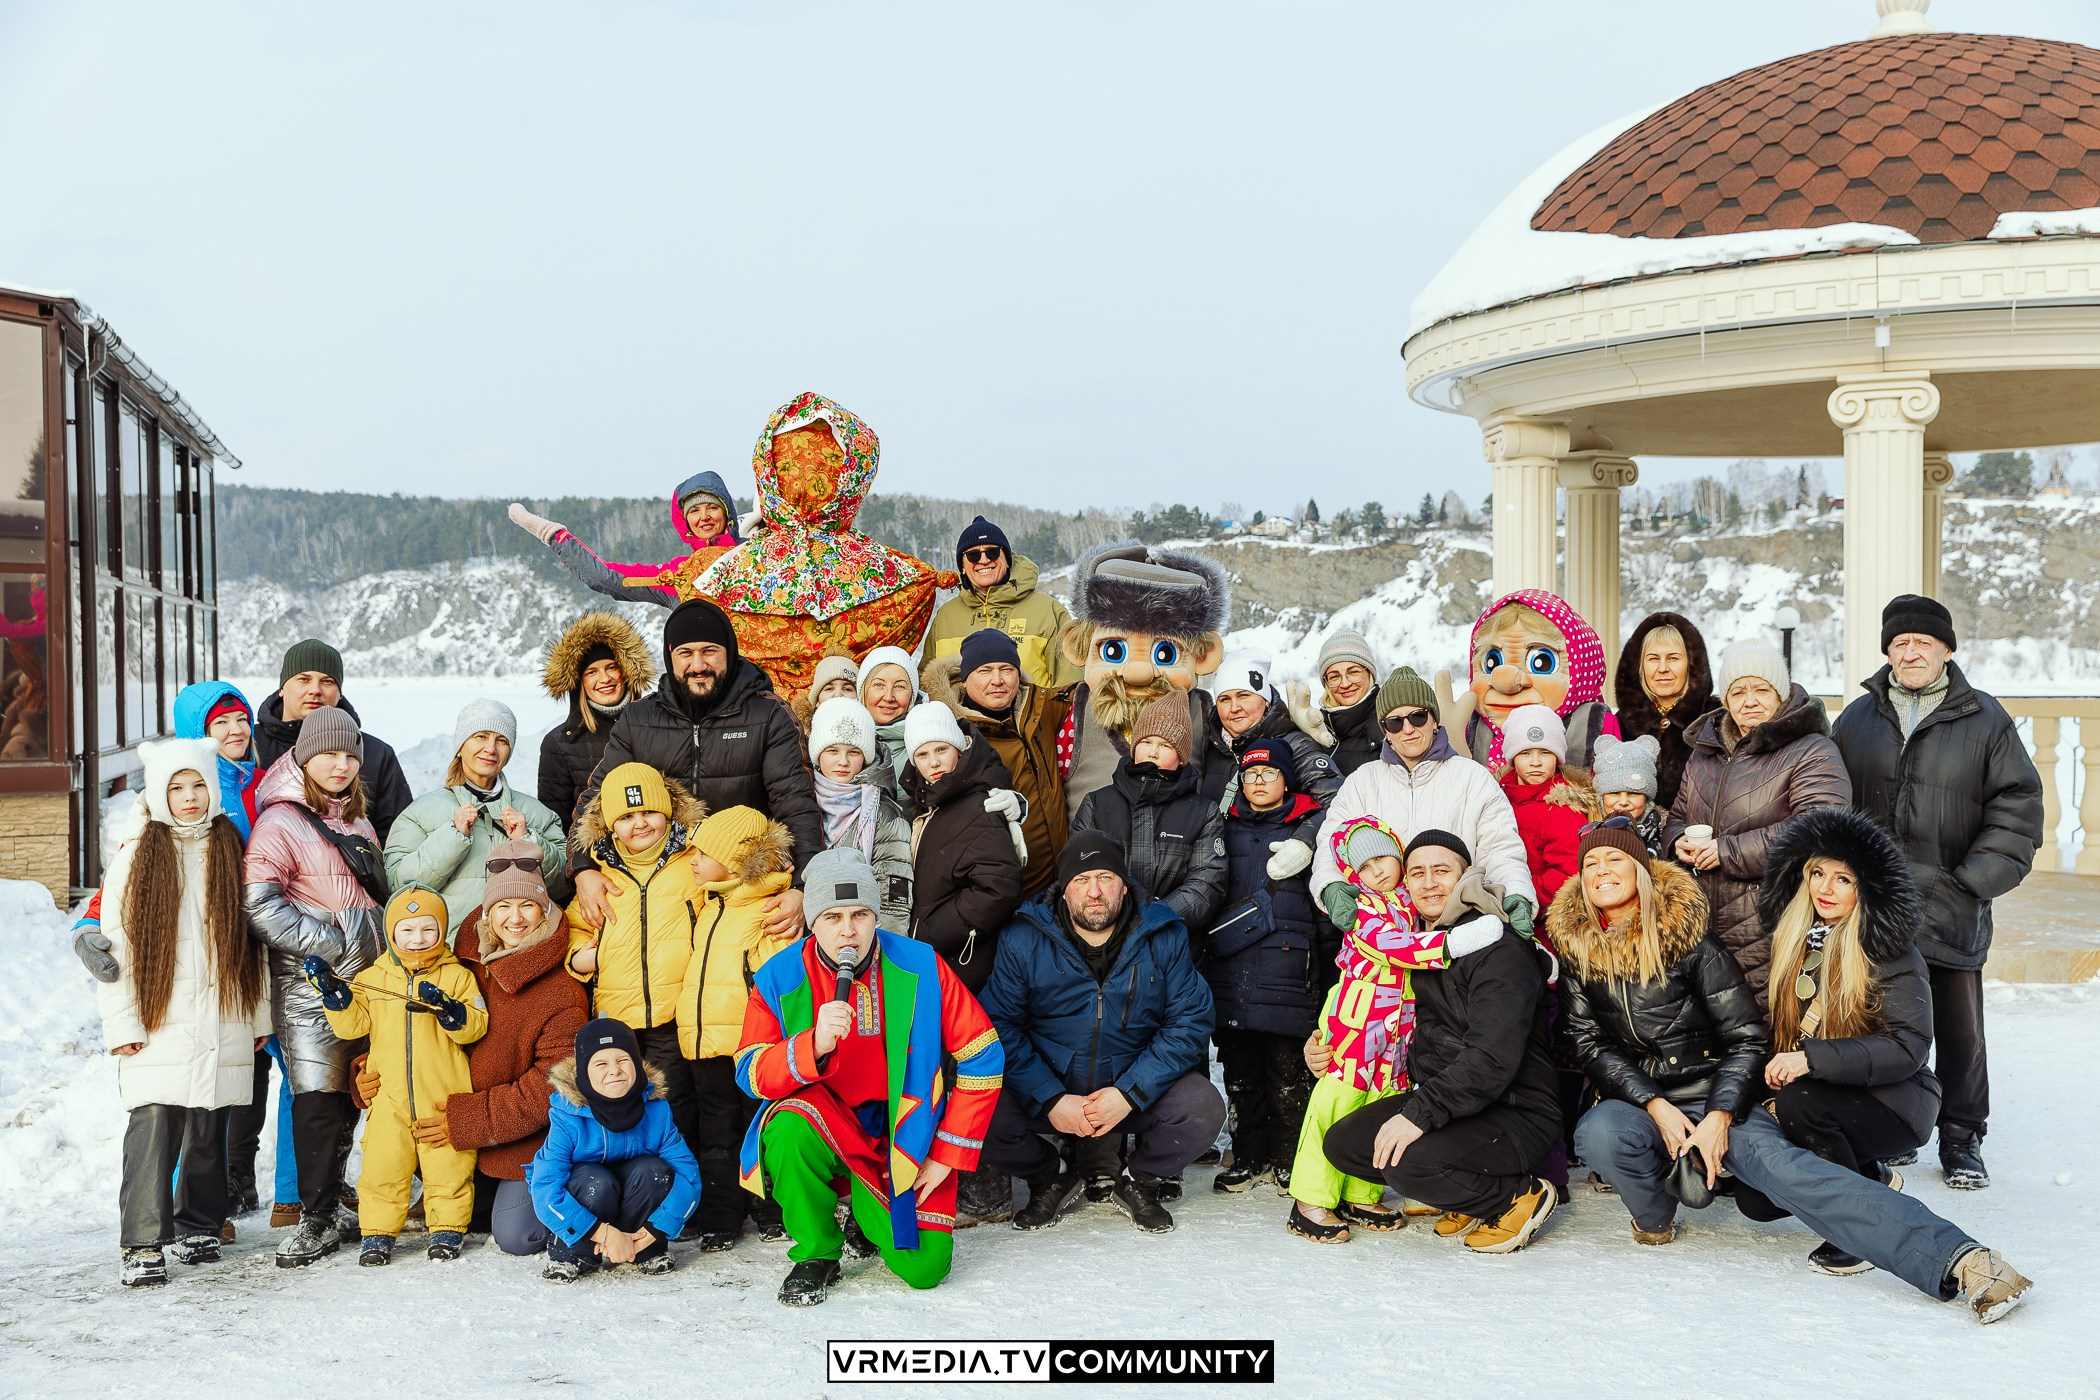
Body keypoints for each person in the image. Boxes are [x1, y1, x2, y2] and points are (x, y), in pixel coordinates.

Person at [1556, 819, 2034, 1324]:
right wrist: (1655, 1105)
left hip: (1721, 1090)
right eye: (1590, 863)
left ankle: (1963, 1260)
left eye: (1616, 859)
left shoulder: (1692, 940)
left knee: (1787, 1175)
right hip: (1644, 1098)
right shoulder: (1576, 952)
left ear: (1643, 870)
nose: (1602, 871)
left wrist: (1719, 1115)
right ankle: (1655, 1217)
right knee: (1599, 1133)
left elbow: (1746, 1037)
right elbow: (1588, 1044)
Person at [1829, 594, 2043, 1190]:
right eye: (1900, 643)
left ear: (1947, 649)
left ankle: (1962, 1136)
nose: (1912, 651)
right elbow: (1831, 799)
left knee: (1957, 1028)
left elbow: (2019, 807)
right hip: (1874, 907)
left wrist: (1972, 881)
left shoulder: (1984, 718)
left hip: (1951, 902)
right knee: (1881, 1025)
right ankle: (1896, 1127)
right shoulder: (1858, 718)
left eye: (1924, 642)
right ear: (1888, 652)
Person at [735, 850, 1005, 1306]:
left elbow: (983, 1056)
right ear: (812, 921)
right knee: (784, 1127)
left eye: (861, 914)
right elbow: (751, 1073)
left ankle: (866, 1209)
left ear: (876, 916)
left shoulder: (921, 964)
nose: (848, 931)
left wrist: (947, 1154)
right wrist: (812, 1044)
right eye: (833, 916)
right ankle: (818, 1251)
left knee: (925, 1271)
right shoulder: (779, 975)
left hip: (906, 1134)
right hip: (825, 1122)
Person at [1320, 831, 1561, 1254]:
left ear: (1467, 875)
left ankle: (1516, 1197)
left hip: (1515, 1108)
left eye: (1442, 871)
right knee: (1347, 1144)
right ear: (1405, 883)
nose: (1429, 882)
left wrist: (1419, 1115)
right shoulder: (1419, 946)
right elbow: (1366, 998)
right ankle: (1468, 1193)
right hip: (1456, 1105)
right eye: (1417, 873)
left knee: (1406, 1162)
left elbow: (1491, 1056)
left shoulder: (1497, 947)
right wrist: (1323, 1040)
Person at [978, 832, 1226, 1235]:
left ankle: (1140, 1179)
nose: (1094, 891)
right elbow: (999, 1025)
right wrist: (1050, 1096)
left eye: (1105, 877)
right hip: (1054, 1086)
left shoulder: (1163, 933)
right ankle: (1052, 1175)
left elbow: (1190, 1020)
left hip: (1133, 1086)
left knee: (1203, 1108)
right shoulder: (1024, 937)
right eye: (1081, 880)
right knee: (974, 1109)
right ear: (1063, 890)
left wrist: (1130, 1093)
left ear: (1123, 884)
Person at [97, 738, 270, 1287]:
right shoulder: (136, 855)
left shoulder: (228, 848)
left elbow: (253, 944)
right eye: (176, 787)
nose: (190, 797)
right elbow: (116, 946)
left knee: (208, 1120)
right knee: (154, 1121)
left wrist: (259, 1016)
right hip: (157, 1014)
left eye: (198, 785)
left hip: (223, 1009)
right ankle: (143, 1240)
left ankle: (199, 1222)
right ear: (159, 793)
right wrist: (122, 1024)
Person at [1285, 824, 1498, 1242]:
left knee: (1383, 1098)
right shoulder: (1362, 908)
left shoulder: (1409, 899)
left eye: (1382, 858)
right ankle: (1310, 1197)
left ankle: (1361, 1189)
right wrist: (1451, 945)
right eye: (1364, 867)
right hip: (1358, 1014)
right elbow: (1393, 947)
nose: (1378, 871)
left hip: (1399, 1021)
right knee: (1338, 1099)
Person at [565, 597, 823, 941]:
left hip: (744, 889)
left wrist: (803, 887)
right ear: (670, 657)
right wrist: (582, 870)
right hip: (663, 888)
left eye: (709, 651)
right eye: (685, 653)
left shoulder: (768, 715)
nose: (698, 665)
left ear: (729, 652)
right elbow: (597, 797)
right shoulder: (640, 718)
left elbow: (796, 805)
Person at [1751, 808, 1941, 1272]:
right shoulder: (1794, 940)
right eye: (1817, 873)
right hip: (1820, 1092)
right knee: (1756, 1203)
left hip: (1893, 1100)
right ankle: (1869, 1176)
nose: (1824, 888)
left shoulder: (1889, 950)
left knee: (1800, 1103)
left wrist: (1809, 1061)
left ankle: (1858, 1231)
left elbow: (1908, 1047)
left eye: (1843, 879)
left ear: (1868, 888)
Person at [242, 706, 388, 1268]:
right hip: (311, 982)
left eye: (350, 754)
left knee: (350, 1093)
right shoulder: (281, 820)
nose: (341, 764)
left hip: (361, 982)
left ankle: (335, 1206)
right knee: (317, 1100)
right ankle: (315, 1216)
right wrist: (335, 940)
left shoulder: (354, 818)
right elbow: (260, 906)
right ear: (304, 756)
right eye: (329, 753)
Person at [1666, 639, 1851, 1006]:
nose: (1749, 700)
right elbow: (1677, 815)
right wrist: (1677, 842)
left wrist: (1727, 851)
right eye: (1738, 691)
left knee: (1768, 1029)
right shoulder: (1706, 752)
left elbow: (1821, 826)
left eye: (1760, 689)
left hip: (1772, 922)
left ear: (1780, 693)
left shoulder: (1812, 749)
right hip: (1701, 925)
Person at [308, 886, 487, 1266]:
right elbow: (352, 1025)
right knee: (382, 1166)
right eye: (407, 930)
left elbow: (476, 1026)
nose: (417, 939)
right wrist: (334, 996)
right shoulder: (375, 976)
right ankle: (377, 1232)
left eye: (427, 930)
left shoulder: (457, 976)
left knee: (448, 1164)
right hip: (388, 1095)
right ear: (391, 934)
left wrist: (447, 1008)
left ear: (442, 931)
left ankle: (447, 1228)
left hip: (441, 1091)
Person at [426, 843, 588, 1257]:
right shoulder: (456, 963)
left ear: (544, 909)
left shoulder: (561, 988)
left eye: (526, 906)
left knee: (517, 1237)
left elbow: (550, 1086)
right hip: (458, 1122)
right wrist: (372, 1071)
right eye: (502, 906)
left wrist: (469, 1120)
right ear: (486, 912)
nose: (514, 919)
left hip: (522, 1139)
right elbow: (407, 1027)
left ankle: (581, 1188)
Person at [1310, 666, 1536, 940]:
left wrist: (1515, 893)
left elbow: (1499, 847)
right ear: (1385, 730)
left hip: (1458, 928)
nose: (1407, 729)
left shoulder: (1472, 777)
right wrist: (1330, 884)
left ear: (1433, 719)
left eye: (1417, 717)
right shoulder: (1362, 783)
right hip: (1384, 933)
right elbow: (1332, 844)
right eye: (1395, 722)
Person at [1207, 742, 1336, 1196]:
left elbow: (1324, 911)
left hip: (1289, 969)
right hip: (1232, 969)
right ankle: (1248, 1157)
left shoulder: (1312, 827)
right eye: (1250, 774)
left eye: (1268, 773)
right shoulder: (1222, 827)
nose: (1258, 781)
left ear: (1286, 779)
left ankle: (1288, 1161)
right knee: (1241, 1076)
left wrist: (1321, 971)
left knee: (1289, 1076)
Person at [564, 763, 703, 1166]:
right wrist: (579, 957)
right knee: (621, 1102)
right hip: (618, 1012)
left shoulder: (692, 864)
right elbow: (576, 923)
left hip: (673, 1010)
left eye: (648, 813)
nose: (639, 824)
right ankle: (635, 1190)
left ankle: (681, 1193)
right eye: (626, 817)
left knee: (673, 1105)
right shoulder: (599, 871)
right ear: (610, 825)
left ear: (668, 813)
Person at [677, 806, 799, 1250]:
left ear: (733, 858)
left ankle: (769, 1207)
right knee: (716, 1135)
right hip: (705, 1045)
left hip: (750, 1049)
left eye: (702, 852)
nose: (692, 859)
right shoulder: (711, 904)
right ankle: (721, 1214)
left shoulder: (768, 911)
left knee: (757, 1127)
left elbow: (780, 979)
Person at [529, 1019, 702, 1282]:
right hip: (592, 1196)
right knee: (595, 1181)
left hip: (636, 1201)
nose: (615, 1071)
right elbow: (545, 1188)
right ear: (584, 1072)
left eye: (623, 1060)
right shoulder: (567, 1115)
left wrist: (657, 1227)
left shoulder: (656, 1110)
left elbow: (688, 1176)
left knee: (654, 1171)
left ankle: (645, 1248)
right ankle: (572, 1252)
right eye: (601, 1064)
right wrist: (604, 1234)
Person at [925, 627, 1071, 896]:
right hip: (1001, 889)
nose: (997, 680)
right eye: (984, 670)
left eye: (1006, 669)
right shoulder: (951, 734)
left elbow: (1095, 688)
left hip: (1060, 880)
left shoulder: (1041, 707)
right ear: (965, 680)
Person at [383, 700, 565, 912]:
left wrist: (528, 842)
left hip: (518, 942)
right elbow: (399, 887)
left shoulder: (537, 813)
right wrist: (452, 836)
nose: (490, 749)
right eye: (481, 736)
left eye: (502, 741)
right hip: (450, 943)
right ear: (460, 747)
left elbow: (563, 884)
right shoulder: (420, 812)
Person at [1072, 693, 1227, 936]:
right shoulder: (1097, 803)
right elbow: (1079, 873)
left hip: (1172, 940)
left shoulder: (1204, 812)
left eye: (1165, 745)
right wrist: (1115, 919)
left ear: (1182, 758)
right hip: (1106, 940)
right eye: (1146, 742)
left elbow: (1205, 885)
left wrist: (1151, 917)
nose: (1152, 753)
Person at [899, 702, 1026, 996]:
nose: (933, 763)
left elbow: (999, 887)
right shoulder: (934, 803)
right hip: (945, 961)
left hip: (968, 963)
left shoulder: (979, 805)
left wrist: (928, 933)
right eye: (922, 754)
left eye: (941, 750)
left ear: (959, 749)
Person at [250, 639, 414, 841]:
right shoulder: (249, 746)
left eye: (327, 681)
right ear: (282, 688)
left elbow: (399, 835)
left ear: (339, 692)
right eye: (303, 679)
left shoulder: (376, 755)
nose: (315, 690)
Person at [509, 470, 741, 608]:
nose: (704, 517)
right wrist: (551, 534)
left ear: (726, 512)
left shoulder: (754, 553)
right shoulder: (676, 577)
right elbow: (609, 579)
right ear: (686, 522)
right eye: (694, 511)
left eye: (712, 507)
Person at [925, 516, 1082, 689]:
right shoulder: (945, 616)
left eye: (992, 552)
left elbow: (1071, 684)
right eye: (973, 555)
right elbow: (926, 683)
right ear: (962, 566)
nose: (984, 560)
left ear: (1007, 559)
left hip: (1032, 716)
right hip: (956, 716)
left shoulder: (1048, 611)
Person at [537, 611, 658, 830]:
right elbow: (555, 826)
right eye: (592, 672)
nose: (605, 679)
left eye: (612, 667)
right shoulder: (560, 744)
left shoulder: (659, 726)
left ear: (628, 671)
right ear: (578, 682)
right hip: (592, 859)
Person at [807, 697, 913, 934]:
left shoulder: (884, 814)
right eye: (833, 750)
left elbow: (894, 900)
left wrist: (877, 954)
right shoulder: (799, 802)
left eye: (853, 752)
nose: (842, 762)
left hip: (860, 941)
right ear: (817, 753)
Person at [1200, 649, 1341, 806]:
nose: (1234, 708)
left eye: (1243, 696)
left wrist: (1300, 831)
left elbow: (1335, 806)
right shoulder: (1210, 745)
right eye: (1225, 699)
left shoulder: (1296, 746)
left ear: (1266, 700)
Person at [1495, 704, 1598, 916]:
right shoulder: (1495, 796)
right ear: (1512, 757)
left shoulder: (1562, 809)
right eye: (1525, 753)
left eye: (1545, 753)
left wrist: (1515, 892)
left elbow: (1566, 875)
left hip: (1536, 915)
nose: (1535, 762)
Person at [1613, 612, 1715, 811]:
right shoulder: (1620, 725)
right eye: (1653, 659)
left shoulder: (1714, 722)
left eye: (1673, 658)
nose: (1662, 668)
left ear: (1692, 665)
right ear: (1639, 667)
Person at [1285, 628, 1384, 777]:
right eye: (1334, 677)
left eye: (1353, 672)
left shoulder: (1392, 720)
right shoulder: (1316, 725)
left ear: (1369, 673)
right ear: (1326, 683)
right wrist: (1296, 733)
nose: (1345, 684)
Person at [856, 646, 922, 796]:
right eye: (878, 685)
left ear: (912, 694)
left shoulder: (933, 738)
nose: (888, 697)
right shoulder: (837, 734)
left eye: (899, 686)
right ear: (863, 691)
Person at [1591, 734, 1670, 859]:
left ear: (1647, 798)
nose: (1623, 802)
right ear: (1601, 798)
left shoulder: (1666, 834)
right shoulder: (1587, 832)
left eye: (1634, 793)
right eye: (1614, 793)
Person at [791, 651, 862, 735]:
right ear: (816, 700)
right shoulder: (797, 736)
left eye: (847, 689)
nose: (838, 695)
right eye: (829, 689)